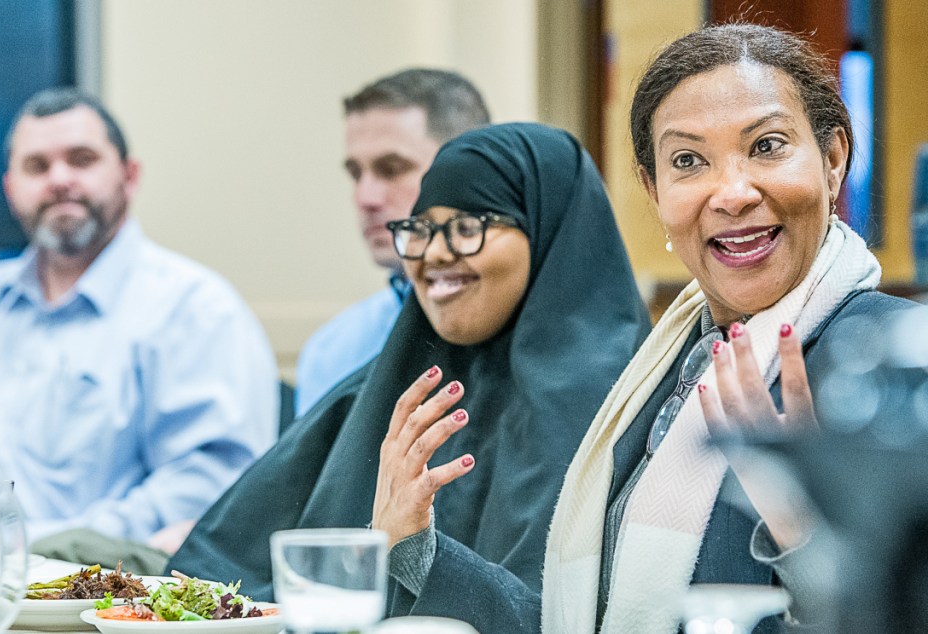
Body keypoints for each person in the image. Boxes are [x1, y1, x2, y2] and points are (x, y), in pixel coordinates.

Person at [168, 123, 652, 633]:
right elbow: (217, 573)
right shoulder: (389, 388)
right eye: (420, 229)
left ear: (548, 230)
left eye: (470, 225)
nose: (436, 253)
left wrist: (416, 552)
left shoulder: (618, 400)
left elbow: (572, 618)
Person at [541, 24, 922, 633]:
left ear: (832, 161)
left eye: (767, 145)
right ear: (653, 189)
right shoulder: (666, 365)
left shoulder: (893, 365)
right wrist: (418, 548)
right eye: (688, 161)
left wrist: (801, 526)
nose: (733, 192)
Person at [0, 88, 280, 547]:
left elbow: (210, 490)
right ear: (11, 188)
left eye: (81, 159)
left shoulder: (196, 312)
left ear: (130, 175)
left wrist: (25, 544)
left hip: (91, 600)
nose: (59, 179)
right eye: (37, 166)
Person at [293, 68, 490, 416]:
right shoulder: (331, 350)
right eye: (356, 173)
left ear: (469, 170)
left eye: (392, 168)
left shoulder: (523, 336)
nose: (365, 197)